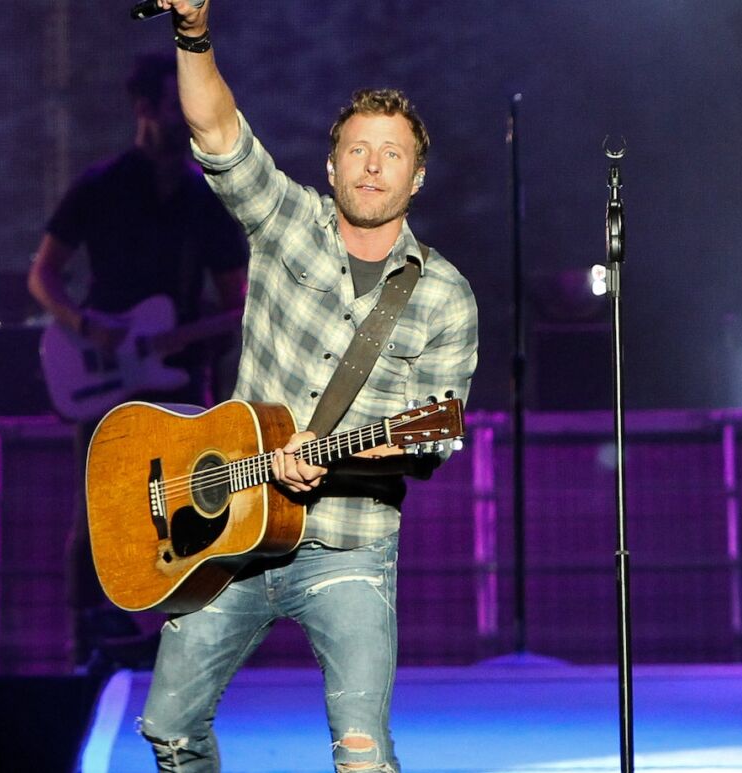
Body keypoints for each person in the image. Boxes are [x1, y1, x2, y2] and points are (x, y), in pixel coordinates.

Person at [138, 2, 480, 771]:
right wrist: (192, 34)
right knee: (169, 729)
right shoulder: (286, 221)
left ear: (416, 176)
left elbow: (433, 437)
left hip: (349, 546)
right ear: (330, 167)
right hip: (229, 537)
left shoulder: (446, 297)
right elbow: (216, 131)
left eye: (390, 153)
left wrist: (336, 459)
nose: (370, 164)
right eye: (357, 149)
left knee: (363, 755)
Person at [27, 53, 249, 671]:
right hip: (100, 372)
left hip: (174, 375)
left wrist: (202, 331)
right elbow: (43, 275)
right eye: (177, 103)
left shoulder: (205, 203)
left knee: (190, 509)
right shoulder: (99, 188)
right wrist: (84, 325)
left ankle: (176, 640)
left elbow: (238, 301)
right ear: (145, 109)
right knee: (96, 506)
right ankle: (87, 643)